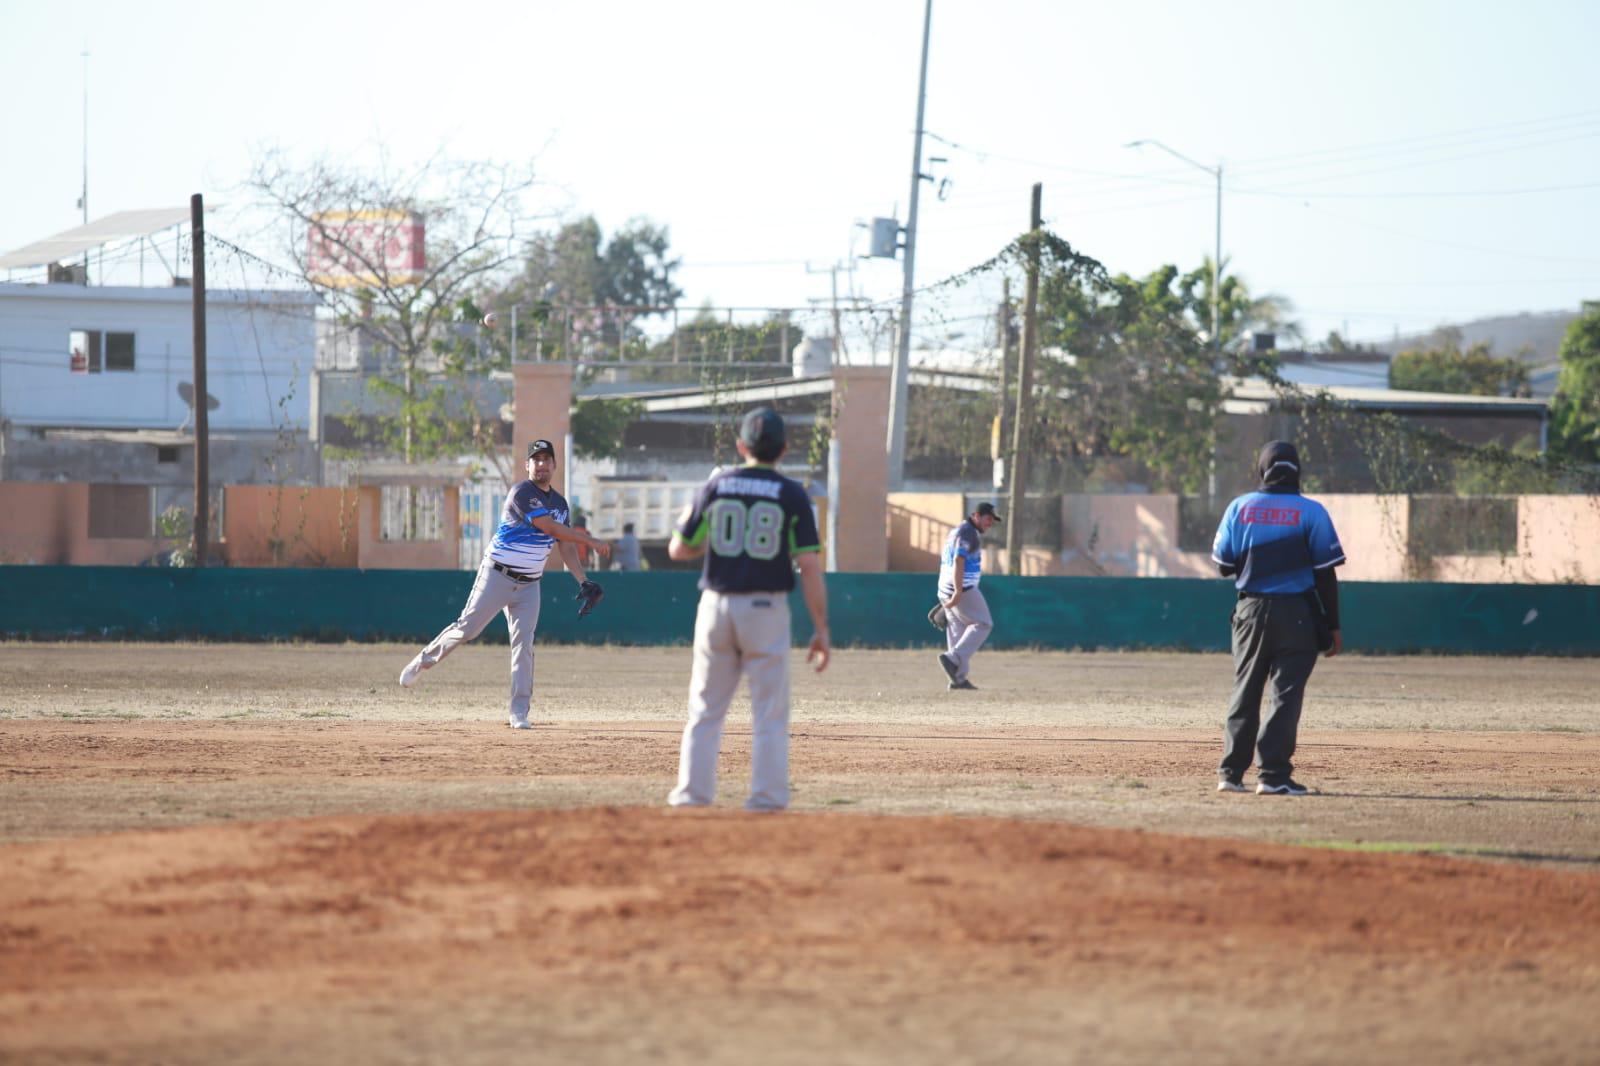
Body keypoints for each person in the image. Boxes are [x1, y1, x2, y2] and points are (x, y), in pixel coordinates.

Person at [666, 406, 830, 811]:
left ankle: (691, 797)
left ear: (741, 446)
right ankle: (766, 800)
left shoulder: (717, 485)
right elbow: (808, 566)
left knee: (704, 711)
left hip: (716, 605)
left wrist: (713, 533)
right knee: (769, 714)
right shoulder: (792, 494)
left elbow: (678, 548)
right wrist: (821, 628)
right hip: (764, 608)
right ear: (784, 449)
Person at [398, 438, 611, 729]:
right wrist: (591, 539)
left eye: (547, 459)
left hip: (530, 585)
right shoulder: (522, 493)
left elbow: (564, 545)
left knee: (524, 645)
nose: (542, 464)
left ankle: (519, 711)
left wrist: (583, 579)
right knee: (467, 629)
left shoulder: (560, 504)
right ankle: (423, 661)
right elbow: (548, 527)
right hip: (497, 574)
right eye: (536, 459)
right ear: (527, 465)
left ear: (554, 466)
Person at [1210, 440, 1345, 795]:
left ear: (1261, 470)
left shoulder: (1239, 508)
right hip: (1297, 614)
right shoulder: (1312, 512)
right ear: (1298, 471)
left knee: (1246, 689)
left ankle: (1230, 774)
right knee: (1285, 695)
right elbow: (1325, 574)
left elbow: (1224, 566)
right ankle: (1272, 776)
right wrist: (1333, 627)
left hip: (1250, 611)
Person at [936, 501, 1001, 691]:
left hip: (946, 587)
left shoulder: (958, 530)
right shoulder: (967, 532)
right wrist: (957, 591)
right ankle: (953, 659)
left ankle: (958, 679)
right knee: (983, 623)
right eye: (988, 518)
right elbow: (958, 559)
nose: (990, 523)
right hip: (962, 588)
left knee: (958, 630)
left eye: (992, 520)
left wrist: (947, 596)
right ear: (976, 516)